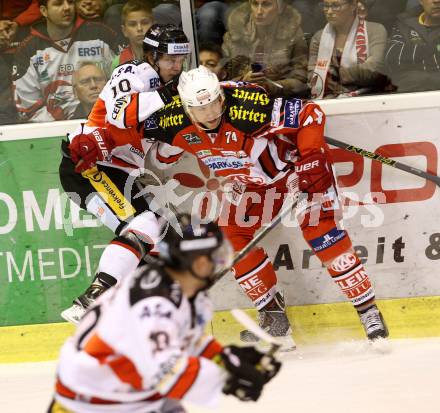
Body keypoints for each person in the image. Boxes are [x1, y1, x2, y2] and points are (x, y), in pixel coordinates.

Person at [142, 65, 389, 345]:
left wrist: (310, 156)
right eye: (200, 109)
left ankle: (368, 311)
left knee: (321, 232)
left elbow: (310, 113)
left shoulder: (248, 107)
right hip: (249, 182)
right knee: (230, 239)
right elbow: (130, 128)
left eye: (213, 103)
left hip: (295, 171)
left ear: (221, 97)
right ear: (186, 108)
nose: (210, 113)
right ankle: (274, 317)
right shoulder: (171, 121)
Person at [48, 214, 282, 413]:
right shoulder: (155, 303)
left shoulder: (184, 294)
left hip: (127, 392)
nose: (219, 263)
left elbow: (185, 341)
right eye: (217, 256)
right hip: (88, 403)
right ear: (199, 263)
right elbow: (166, 372)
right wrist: (228, 379)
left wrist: (228, 358)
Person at [59, 23, 189, 323]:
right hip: (88, 165)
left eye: (181, 59)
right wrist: (169, 95)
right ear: (152, 56)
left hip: (121, 172)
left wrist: (179, 139)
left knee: (163, 235)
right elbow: (119, 114)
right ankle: (94, 297)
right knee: (145, 222)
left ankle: (134, 314)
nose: (177, 66)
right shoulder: (134, 73)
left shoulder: (174, 95)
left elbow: (159, 157)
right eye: (170, 59)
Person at [12, 0, 118, 122]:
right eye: (58, 3)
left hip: (106, 120)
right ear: (44, 11)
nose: (67, 7)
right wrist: (64, 125)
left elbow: (124, 81)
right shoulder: (28, 49)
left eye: (71, 2)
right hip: (56, 131)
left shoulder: (101, 34)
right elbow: (28, 109)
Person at [222, 0, 308, 97]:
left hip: (279, 101)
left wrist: (272, 86)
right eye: (255, 4)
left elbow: (301, 82)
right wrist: (243, 81)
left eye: (266, 4)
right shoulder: (235, 35)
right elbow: (222, 81)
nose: (259, 11)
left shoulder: (293, 34)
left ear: (279, 8)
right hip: (242, 102)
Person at [308, 0, 388, 99]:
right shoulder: (318, 37)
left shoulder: (375, 30)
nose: (329, 11)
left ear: (353, 5)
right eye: (325, 6)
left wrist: (334, 76)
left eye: (336, 6)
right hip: (327, 99)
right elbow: (313, 76)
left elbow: (373, 69)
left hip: (367, 98)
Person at [384, 0, 440, 93]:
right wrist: (434, 49)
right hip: (406, 95)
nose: (437, 1)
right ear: (421, 1)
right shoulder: (403, 24)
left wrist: (411, 59)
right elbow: (391, 57)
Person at [111, 0, 154, 70]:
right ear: (124, 31)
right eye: (133, 24)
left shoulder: (164, 57)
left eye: (145, 23)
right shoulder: (118, 62)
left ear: (154, 26)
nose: (139, 28)